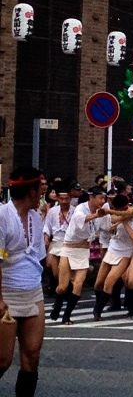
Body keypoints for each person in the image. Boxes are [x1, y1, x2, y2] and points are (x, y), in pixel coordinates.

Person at [0, 167, 47, 396]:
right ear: (31, 190)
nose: (42, 193)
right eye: (40, 188)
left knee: (32, 356)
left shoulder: (36, 218)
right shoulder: (2, 215)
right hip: (6, 293)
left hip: (33, 291)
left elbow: (38, 256)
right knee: (2, 360)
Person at [50, 186, 107, 325]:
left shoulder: (102, 211)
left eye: (104, 198)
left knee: (78, 283)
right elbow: (83, 219)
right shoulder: (80, 209)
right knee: (63, 286)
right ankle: (57, 306)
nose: (102, 201)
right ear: (91, 197)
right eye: (100, 198)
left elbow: (106, 226)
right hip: (69, 248)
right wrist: (96, 215)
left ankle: (67, 316)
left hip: (83, 250)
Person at [92, 195, 133, 320]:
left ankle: (97, 311)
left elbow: (129, 215)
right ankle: (99, 303)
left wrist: (112, 213)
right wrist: (116, 217)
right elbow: (115, 218)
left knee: (109, 281)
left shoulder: (132, 210)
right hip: (112, 248)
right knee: (98, 283)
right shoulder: (117, 217)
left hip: (125, 253)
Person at [43, 189, 74, 295]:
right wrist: (46, 237)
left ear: (70, 198)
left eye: (66, 199)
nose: (64, 201)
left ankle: (66, 289)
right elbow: (47, 226)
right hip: (56, 240)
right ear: (57, 198)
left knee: (63, 268)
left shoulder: (75, 211)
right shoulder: (52, 211)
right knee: (52, 268)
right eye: (61, 199)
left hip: (69, 242)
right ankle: (60, 287)